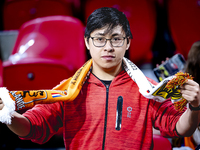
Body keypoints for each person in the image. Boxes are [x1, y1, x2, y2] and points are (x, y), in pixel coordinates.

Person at [0, 7, 200, 150]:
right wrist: (7, 114)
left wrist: (195, 106)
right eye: (99, 39)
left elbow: (180, 127)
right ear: (87, 43)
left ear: (127, 43)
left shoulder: (148, 89)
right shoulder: (68, 89)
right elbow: (32, 127)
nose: (108, 47)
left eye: (116, 39)